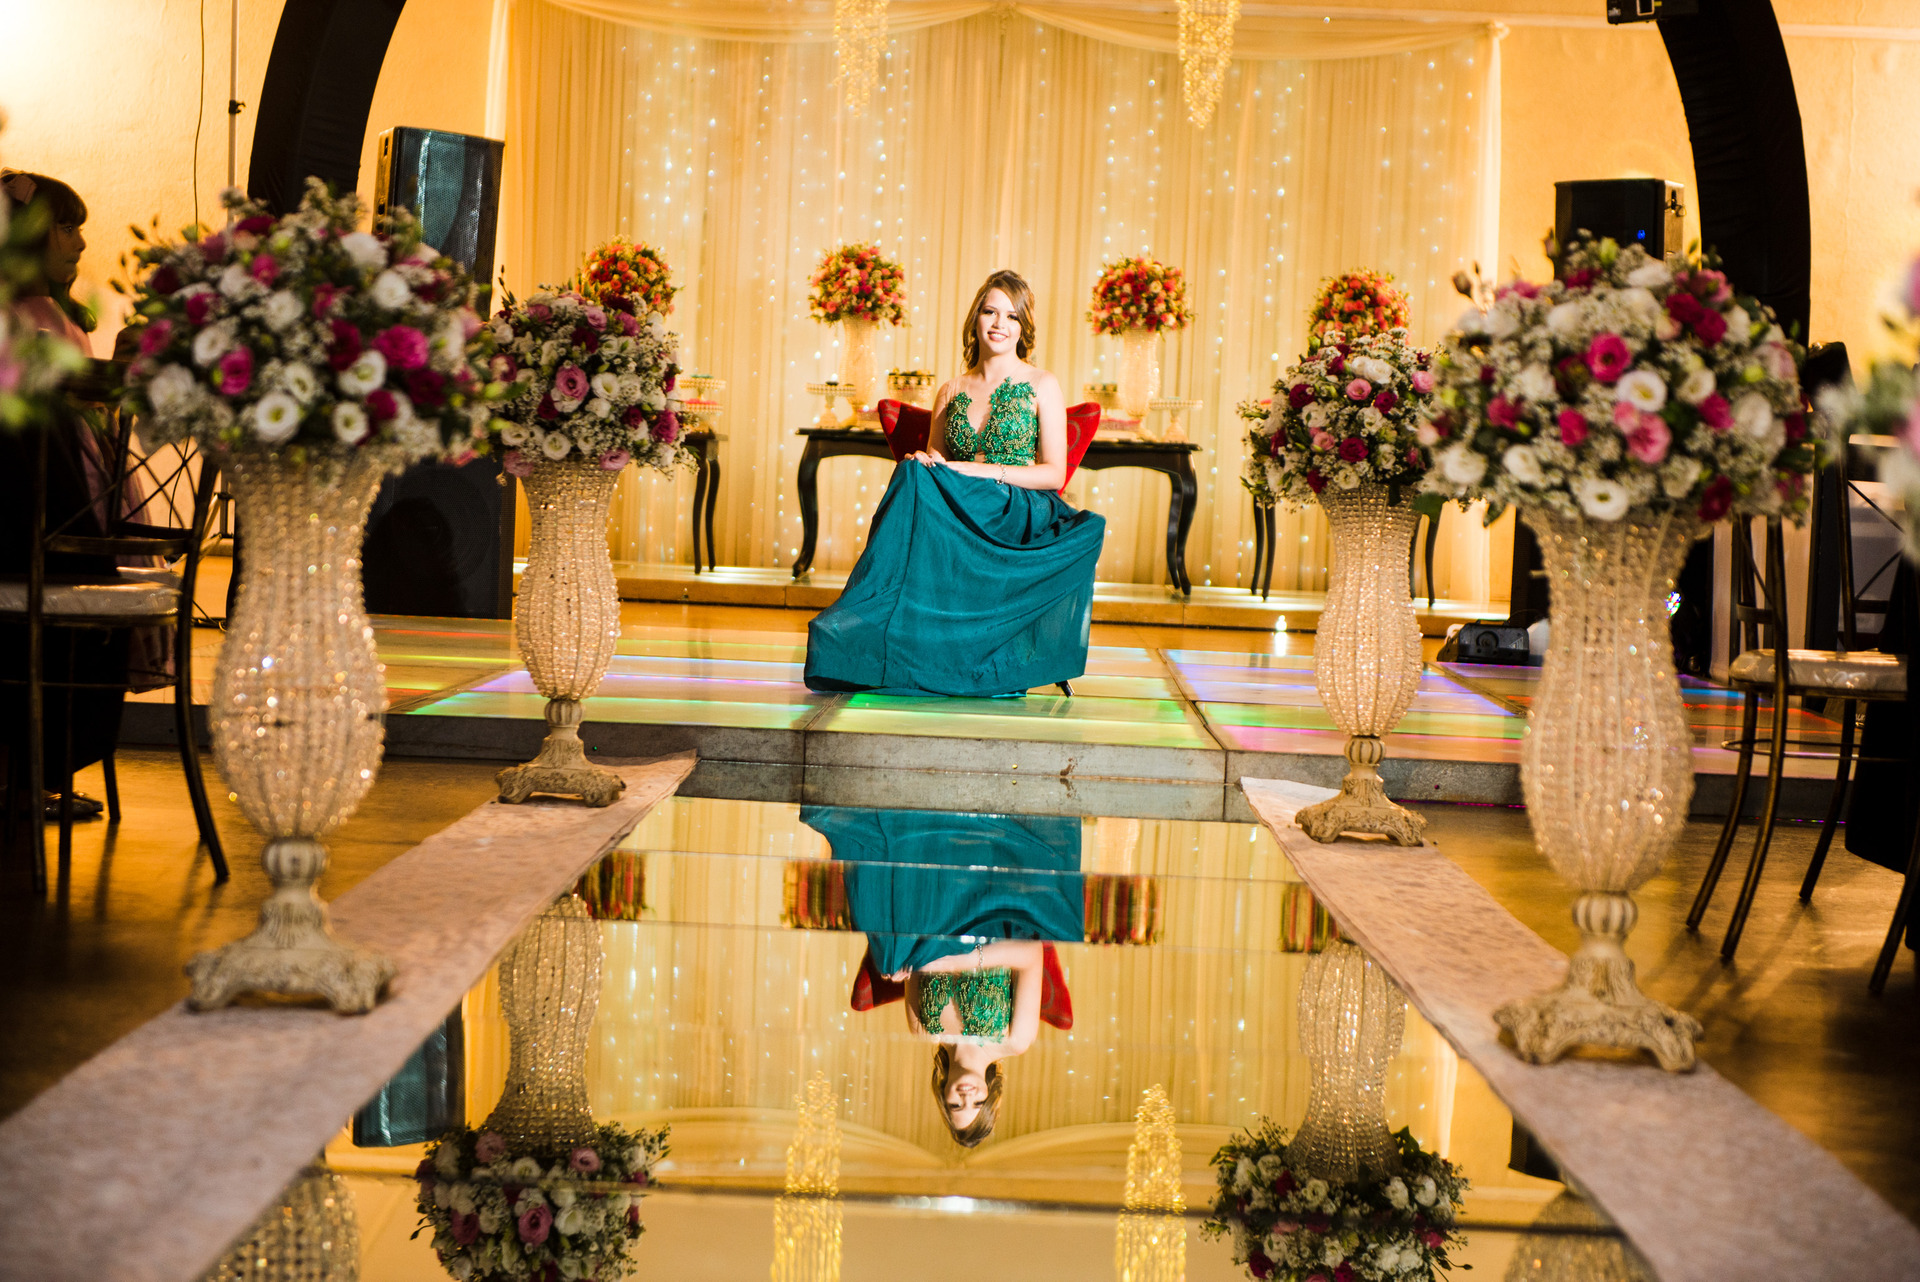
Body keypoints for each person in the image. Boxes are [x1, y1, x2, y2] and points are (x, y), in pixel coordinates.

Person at [804, 270, 1105, 697]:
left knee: (922, 482)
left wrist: (980, 471)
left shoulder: (1042, 383)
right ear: (975, 319)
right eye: (990, 312)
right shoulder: (951, 389)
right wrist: (925, 462)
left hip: (1015, 506)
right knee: (912, 473)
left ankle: (869, 629)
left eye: (1012, 316)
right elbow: (938, 463)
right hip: (959, 504)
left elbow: (1054, 473)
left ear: (1023, 327)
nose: (999, 324)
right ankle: (863, 630)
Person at [801, 805, 1084, 1147]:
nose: (967, 1096)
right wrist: (959, 961)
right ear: (990, 1095)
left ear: (942, 1094)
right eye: (977, 1104)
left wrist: (900, 970)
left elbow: (915, 964)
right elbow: (1030, 955)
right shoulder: (1014, 1040)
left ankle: (897, 825)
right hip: (989, 914)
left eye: (955, 1105)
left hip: (932, 918)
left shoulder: (922, 1029)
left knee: (888, 949)